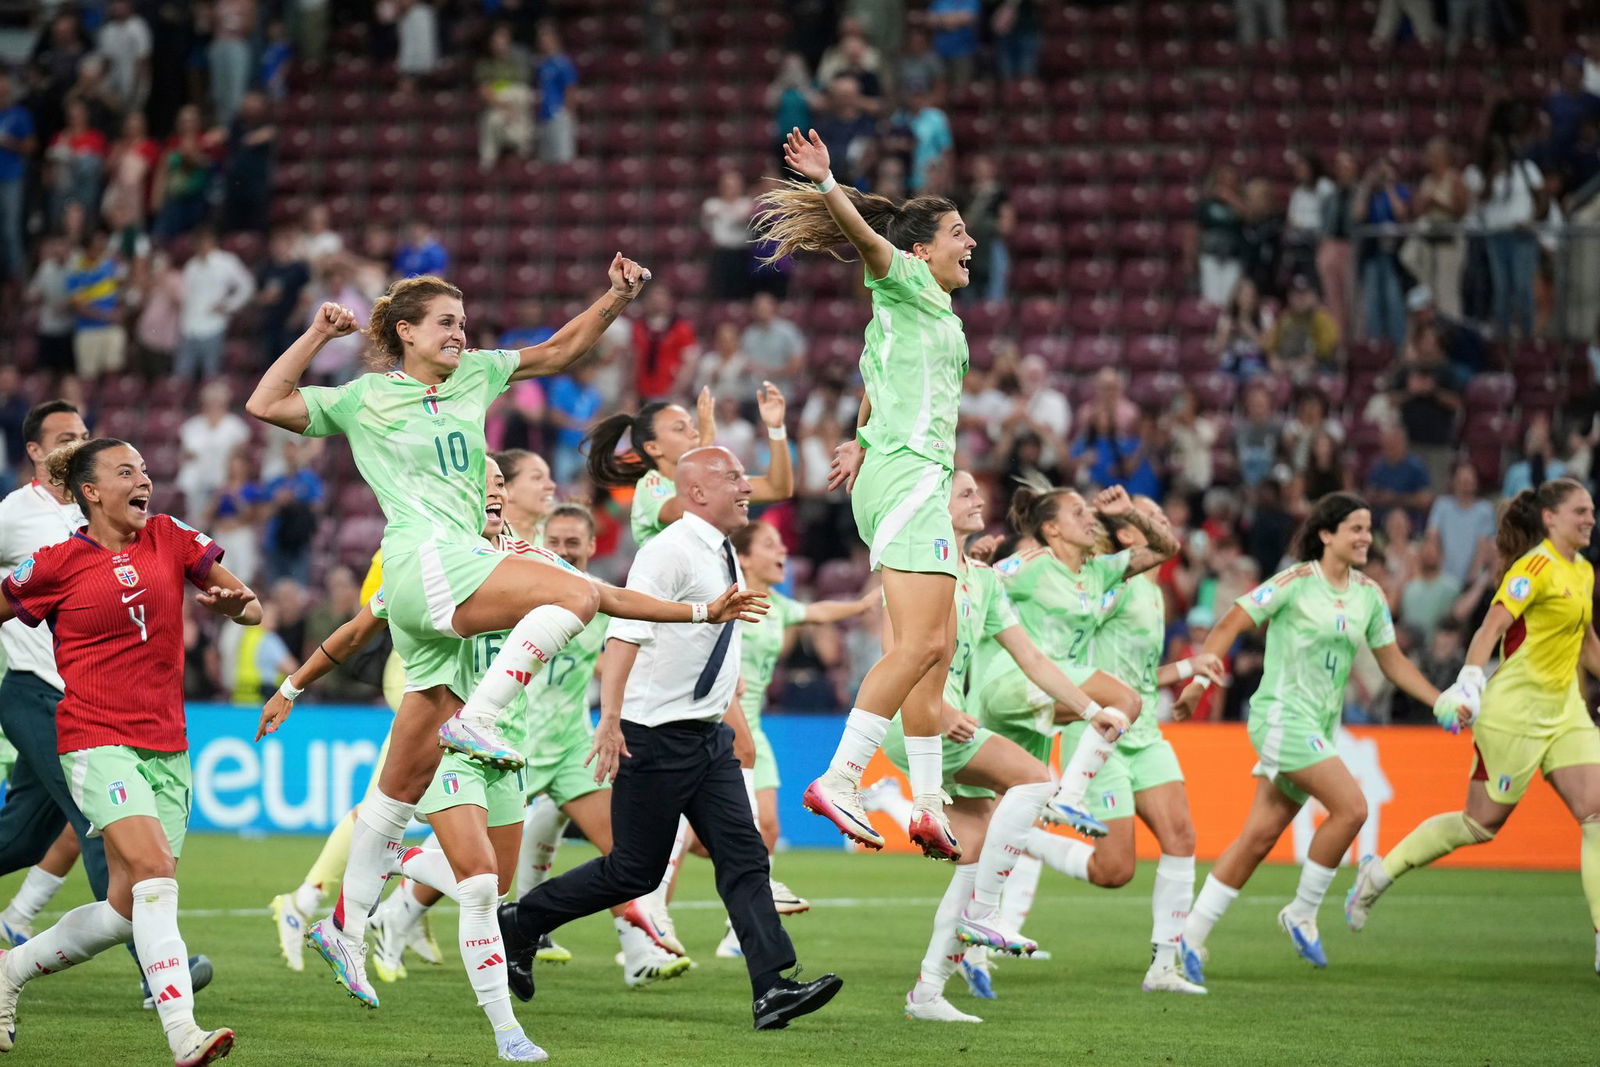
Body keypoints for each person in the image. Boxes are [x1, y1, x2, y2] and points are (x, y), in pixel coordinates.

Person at [244, 261, 766, 1007]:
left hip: (452, 579)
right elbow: (265, 401)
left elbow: (558, 349)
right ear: (404, 332)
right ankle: (482, 721)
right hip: (424, 560)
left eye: (463, 322)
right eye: (445, 323)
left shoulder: (475, 376)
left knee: (399, 785)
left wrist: (616, 296)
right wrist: (318, 335)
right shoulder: (364, 397)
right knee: (572, 591)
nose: (460, 333)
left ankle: (344, 924)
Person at [496, 447, 844, 1031]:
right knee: (633, 871)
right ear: (697, 492)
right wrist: (610, 720)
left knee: (745, 856)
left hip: (706, 737)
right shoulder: (668, 551)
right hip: (655, 737)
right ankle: (520, 922)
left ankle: (771, 988)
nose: (746, 486)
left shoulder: (722, 549)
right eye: (733, 477)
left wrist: (729, 706)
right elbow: (623, 635)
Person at [870, 474, 1190, 1019]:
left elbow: (1034, 659)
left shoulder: (984, 580)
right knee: (1037, 780)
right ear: (936, 507)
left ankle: (927, 992)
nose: (978, 498)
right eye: (964, 493)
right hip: (920, 721)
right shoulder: (918, 571)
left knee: (973, 854)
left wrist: (1089, 711)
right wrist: (939, 709)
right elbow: (893, 655)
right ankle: (988, 912)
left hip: (956, 722)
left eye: (977, 491)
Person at [0, 437, 261, 1065]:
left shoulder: (170, 536)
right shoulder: (57, 563)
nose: (143, 479)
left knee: (125, 909)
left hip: (167, 745)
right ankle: (183, 1033)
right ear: (91, 492)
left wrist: (238, 607)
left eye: (144, 469)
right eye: (126, 471)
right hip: (94, 739)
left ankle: (9, 971)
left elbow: (250, 606)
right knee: (153, 870)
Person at [754, 127, 978, 858]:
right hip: (909, 477)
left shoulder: (930, 315)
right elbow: (868, 243)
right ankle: (840, 778)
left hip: (909, 473)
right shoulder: (903, 279)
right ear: (920, 250)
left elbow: (879, 385)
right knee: (920, 644)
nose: (970, 241)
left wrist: (859, 437)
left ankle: (928, 804)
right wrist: (827, 183)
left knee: (936, 646)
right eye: (956, 232)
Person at [1174, 492, 1454, 981]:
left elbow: (1392, 662)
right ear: (1326, 534)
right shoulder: (1295, 582)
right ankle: (1302, 912)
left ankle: (1190, 936)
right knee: (1353, 808)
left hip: (1320, 728)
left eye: (1368, 529)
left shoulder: (1369, 594)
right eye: (1356, 528)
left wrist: (1440, 700)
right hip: (1281, 718)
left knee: (1259, 837)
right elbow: (1231, 622)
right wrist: (1200, 680)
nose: (1366, 537)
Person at [1347, 478, 1600, 978]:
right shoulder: (1533, 569)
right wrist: (1468, 683)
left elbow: (1587, 641)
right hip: (1514, 715)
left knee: (1596, 815)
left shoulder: (1584, 570)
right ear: (1550, 518)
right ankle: (1378, 874)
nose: (1590, 518)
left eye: (1592, 510)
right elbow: (1490, 628)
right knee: (1480, 824)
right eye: (1581, 511)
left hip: (1566, 711)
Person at [1003, 494, 1221, 995]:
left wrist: (1186, 669)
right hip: (1100, 732)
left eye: (1160, 514)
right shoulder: (1112, 587)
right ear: (1125, 533)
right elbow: (1070, 647)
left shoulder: (1153, 592)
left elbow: (1138, 681)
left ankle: (1164, 966)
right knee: (1115, 870)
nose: (1161, 521)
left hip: (1144, 732)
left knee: (1182, 837)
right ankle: (1026, 836)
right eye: (1150, 517)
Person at [716, 519, 878, 955]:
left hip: (755, 728)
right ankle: (652, 922)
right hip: (721, 723)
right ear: (743, 557)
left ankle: (738, 928)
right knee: (722, 833)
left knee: (767, 826)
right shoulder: (727, 599)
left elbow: (818, 612)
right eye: (770, 544)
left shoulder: (779, 605)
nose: (782, 551)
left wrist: (864, 603)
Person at [585, 384, 792, 549]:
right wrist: (704, 447)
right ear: (654, 447)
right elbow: (684, 510)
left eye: (693, 425)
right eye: (679, 428)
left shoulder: (714, 481)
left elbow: (777, 488)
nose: (694, 433)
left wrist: (776, 429)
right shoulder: (650, 486)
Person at [178, 228, 256, 382]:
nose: (201, 246)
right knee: (182, 377)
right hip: (189, 328)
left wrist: (229, 305)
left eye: (204, 242)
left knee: (211, 376)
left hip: (213, 326)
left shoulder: (226, 262)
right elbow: (186, 297)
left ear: (211, 242)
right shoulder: (191, 266)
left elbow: (247, 285)